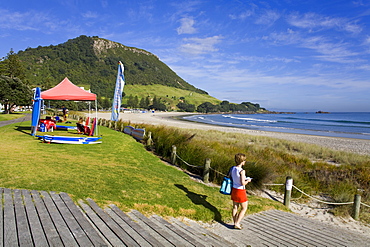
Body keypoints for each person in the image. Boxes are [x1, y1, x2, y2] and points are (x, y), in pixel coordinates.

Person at [230, 153, 252, 229]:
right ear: (242, 161)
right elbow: (242, 182)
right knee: (244, 208)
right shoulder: (242, 171)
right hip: (240, 190)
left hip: (234, 189)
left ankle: (235, 222)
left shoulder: (233, 168)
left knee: (235, 207)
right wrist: (248, 181)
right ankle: (237, 223)